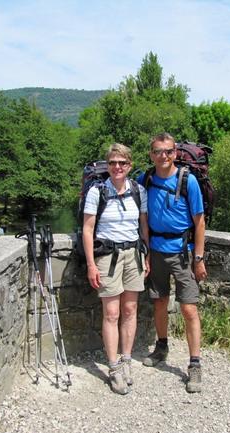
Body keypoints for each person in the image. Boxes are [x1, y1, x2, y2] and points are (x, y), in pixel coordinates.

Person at [139, 133, 207, 393]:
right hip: (155, 250)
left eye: (168, 151)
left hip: (182, 252)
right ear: (151, 154)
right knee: (159, 301)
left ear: (176, 152)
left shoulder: (188, 181)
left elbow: (199, 221)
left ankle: (195, 364)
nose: (163, 156)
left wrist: (198, 258)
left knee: (189, 309)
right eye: (158, 151)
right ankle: (162, 347)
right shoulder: (145, 179)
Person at [82, 143, 149, 395]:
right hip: (107, 256)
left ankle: (126, 360)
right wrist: (90, 264)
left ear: (130, 165)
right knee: (111, 313)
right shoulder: (96, 192)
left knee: (130, 310)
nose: (117, 167)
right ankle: (113, 367)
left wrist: (147, 255)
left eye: (122, 163)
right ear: (107, 165)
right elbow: (88, 230)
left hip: (134, 254)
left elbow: (143, 225)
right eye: (113, 163)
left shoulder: (138, 191)